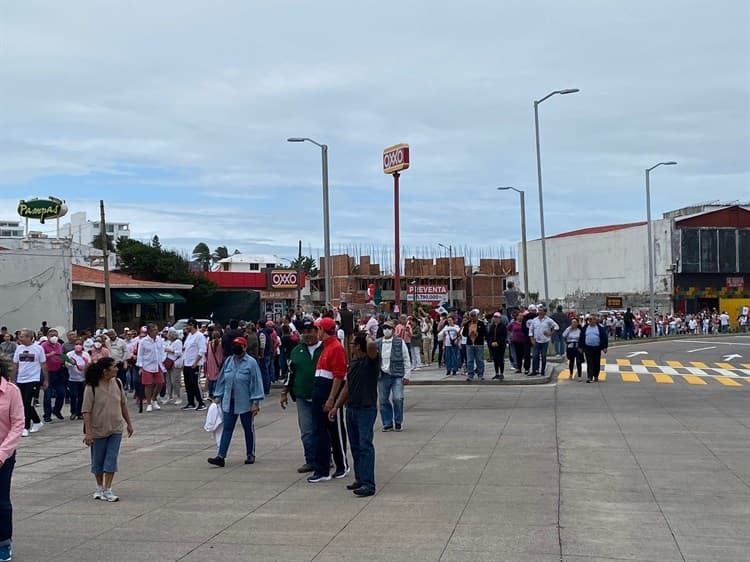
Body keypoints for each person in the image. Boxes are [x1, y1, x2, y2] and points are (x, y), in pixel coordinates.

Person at [329, 333, 379, 497]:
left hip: (366, 408)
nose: (350, 345)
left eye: (352, 343)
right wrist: (336, 406)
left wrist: (368, 336)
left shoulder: (370, 361)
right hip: (352, 408)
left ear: (358, 346)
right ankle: (360, 478)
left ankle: (368, 484)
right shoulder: (353, 363)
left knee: (365, 445)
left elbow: (371, 347)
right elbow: (347, 388)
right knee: (356, 446)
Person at [207, 337, 265, 467]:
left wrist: (256, 402)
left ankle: (250, 454)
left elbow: (256, 383)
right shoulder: (228, 361)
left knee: (248, 428)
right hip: (229, 401)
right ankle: (221, 456)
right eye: (234, 345)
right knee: (227, 428)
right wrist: (218, 395)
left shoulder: (251, 363)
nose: (236, 347)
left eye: (239, 345)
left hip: (245, 402)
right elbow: (222, 379)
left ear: (245, 347)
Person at [82, 357, 133, 502]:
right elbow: (86, 411)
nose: (117, 369)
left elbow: (123, 404)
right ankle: (99, 487)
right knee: (98, 460)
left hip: (116, 428)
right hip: (98, 429)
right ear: (105, 371)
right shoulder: (91, 387)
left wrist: (128, 423)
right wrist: (89, 432)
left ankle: (108, 488)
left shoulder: (117, 383)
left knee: (111, 458)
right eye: (114, 367)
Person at [307, 317, 349, 483]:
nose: (316, 332)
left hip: (327, 394)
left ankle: (341, 465)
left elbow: (339, 376)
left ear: (323, 330)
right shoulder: (326, 347)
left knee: (335, 432)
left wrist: (332, 399)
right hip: (320, 393)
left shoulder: (335, 348)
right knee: (320, 433)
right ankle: (322, 469)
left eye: (317, 329)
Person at [281, 320, 323, 473]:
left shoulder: (325, 349)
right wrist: (284, 392)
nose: (308, 334)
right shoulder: (297, 350)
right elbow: (290, 373)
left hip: (322, 396)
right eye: (304, 331)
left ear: (317, 331)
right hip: (302, 396)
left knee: (322, 429)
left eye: (310, 331)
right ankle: (310, 460)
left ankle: (326, 458)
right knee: (306, 430)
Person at [0, 359, 24, 562]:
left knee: (1, 502)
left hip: (3, 455)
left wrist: (2, 453)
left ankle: (3, 543)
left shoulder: (11, 391)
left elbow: (18, 424)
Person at [376, 320, 411, 432]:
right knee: (383, 400)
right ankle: (387, 423)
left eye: (389, 328)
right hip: (383, 375)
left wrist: (407, 375)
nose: (386, 330)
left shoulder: (399, 342)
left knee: (398, 398)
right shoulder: (378, 343)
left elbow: (406, 358)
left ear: (393, 330)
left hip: (397, 374)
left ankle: (398, 421)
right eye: (385, 328)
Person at [12, 329, 48, 437]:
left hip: (33, 379)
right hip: (21, 379)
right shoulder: (19, 348)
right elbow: (15, 365)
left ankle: (25, 427)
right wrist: (12, 379)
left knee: (27, 403)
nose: (20, 338)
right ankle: (37, 422)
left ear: (29, 337)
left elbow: (43, 365)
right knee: (23, 404)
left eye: (22, 336)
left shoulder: (38, 348)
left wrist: (46, 380)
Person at [135, 325, 166, 413]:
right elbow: (140, 354)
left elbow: (162, 350)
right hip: (147, 365)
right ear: (149, 332)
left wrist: (163, 360)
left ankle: (154, 398)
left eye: (157, 330)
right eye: (154, 330)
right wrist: (140, 367)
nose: (156, 332)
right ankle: (149, 403)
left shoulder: (159, 340)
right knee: (148, 385)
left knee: (160, 383)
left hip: (158, 364)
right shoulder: (143, 341)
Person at [41, 329, 66, 423]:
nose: (54, 337)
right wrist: (49, 355)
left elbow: (61, 355)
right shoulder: (43, 345)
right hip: (47, 373)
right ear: (47, 336)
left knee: (61, 393)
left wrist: (65, 359)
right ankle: (47, 415)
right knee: (47, 395)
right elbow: (40, 357)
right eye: (52, 335)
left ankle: (56, 410)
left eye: (56, 335)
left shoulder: (59, 345)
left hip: (58, 372)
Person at [182, 319, 207, 411]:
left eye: (188, 325)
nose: (187, 327)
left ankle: (201, 402)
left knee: (195, 383)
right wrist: (184, 362)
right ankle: (191, 402)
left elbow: (202, 350)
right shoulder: (189, 336)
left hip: (195, 363)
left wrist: (196, 362)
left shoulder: (199, 336)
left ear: (193, 325)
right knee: (188, 383)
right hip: (187, 363)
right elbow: (186, 349)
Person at [529, 306, 559, 376]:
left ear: (545, 312)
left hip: (545, 341)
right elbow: (531, 330)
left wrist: (551, 333)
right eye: (539, 310)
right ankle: (534, 370)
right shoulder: (534, 320)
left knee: (543, 356)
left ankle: (542, 371)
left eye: (542, 311)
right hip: (536, 341)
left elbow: (556, 326)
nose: (540, 312)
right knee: (535, 356)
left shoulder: (548, 320)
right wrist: (532, 339)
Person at [580, 314, 608, 383]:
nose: (590, 321)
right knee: (589, 362)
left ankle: (596, 375)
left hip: (597, 348)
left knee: (596, 362)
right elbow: (581, 337)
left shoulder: (600, 328)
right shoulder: (585, 328)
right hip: (588, 347)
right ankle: (590, 376)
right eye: (589, 319)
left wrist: (604, 347)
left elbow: (604, 338)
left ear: (595, 320)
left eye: (591, 319)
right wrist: (580, 347)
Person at [66, 340, 89, 420]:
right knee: (73, 395)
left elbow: (89, 364)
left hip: (83, 379)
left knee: (81, 397)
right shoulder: (69, 354)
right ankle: (73, 412)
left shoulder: (85, 354)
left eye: (80, 344)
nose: (78, 345)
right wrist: (72, 363)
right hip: (72, 379)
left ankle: (80, 413)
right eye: (76, 344)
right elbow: (67, 364)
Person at [462, 309, 487, 381]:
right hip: (470, 344)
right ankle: (470, 374)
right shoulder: (468, 324)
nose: (473, 318)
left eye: (474, 316)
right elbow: (464, 333)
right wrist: (468, 334)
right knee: (469, 360)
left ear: (477, 316)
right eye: (471, 316)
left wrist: (478, 334)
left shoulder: (481, 323)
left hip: (478, 344)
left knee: (479, 359)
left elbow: (485, 333)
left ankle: (480, 374)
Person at [163, 329, 184, 404]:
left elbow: (179, 353)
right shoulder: (169, 342)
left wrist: (170, 350)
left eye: (168, 334)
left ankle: (178, 397)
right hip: (169, 363)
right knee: (168, 380)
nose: (167, 336)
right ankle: (169, 396)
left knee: (175, 381)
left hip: (176, 363)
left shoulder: (178, 342)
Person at [487, 312, 508, 380]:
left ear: (500, 318)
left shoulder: (503, 326)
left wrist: (498, 342)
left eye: (497, 318)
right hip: (493, 345)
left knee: (501, 359)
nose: (496, 319)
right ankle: (496, 373)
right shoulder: (492, 326)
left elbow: (504, 336)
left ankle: (501, 373)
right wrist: (491, 343)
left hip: (501, 345)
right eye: (495, 318)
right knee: (495, 360)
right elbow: (489, 336)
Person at [204, 329, 224, 400]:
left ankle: (210, 393)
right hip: (218, 363)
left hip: (210, 363)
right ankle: (216, 393)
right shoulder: (221, 344)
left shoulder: (209, 344)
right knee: (217, 379)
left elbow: (206, 354)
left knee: (210, 379)